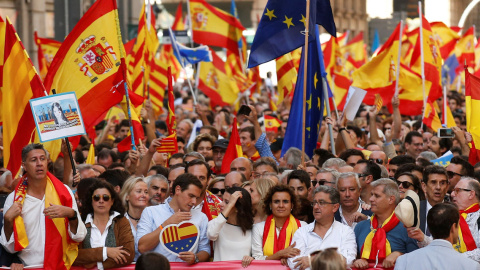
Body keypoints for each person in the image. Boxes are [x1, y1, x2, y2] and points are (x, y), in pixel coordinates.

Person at [0, 144, 86, 268]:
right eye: (34, 160)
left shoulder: (64, 192)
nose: (39, 163)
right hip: (28, 267)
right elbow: (10, 248)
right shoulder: (13, 199)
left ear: (47, 162)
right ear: (24, 165)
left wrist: (71, 215)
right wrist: (8, 220)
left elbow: (79, 236)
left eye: (42, 159)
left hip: (61, 265)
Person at [136, 173, 210, 263]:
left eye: (196, 198)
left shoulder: (201, 217)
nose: (194, 202)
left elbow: (205, 250)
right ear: (178, 190)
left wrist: (195, 257)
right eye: (191, 196)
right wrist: (166, 224)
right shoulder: (151, 212)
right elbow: (142, 247)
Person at [353, 179, 418, 269]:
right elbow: (351, 258)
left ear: (391, 199)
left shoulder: (406, 227)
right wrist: (357, 261)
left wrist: (399, 255)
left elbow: (417, 260)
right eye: (371, 194)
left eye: (377, 196)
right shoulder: (360, 227)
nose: (371, 199)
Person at [288, 186, 357, 270]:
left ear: (335, 207)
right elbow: (294, 263)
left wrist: (312, 260)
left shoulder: (346, 232)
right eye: (314, 203)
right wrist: (332, 261)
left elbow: (348, 261)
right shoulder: (302, 232)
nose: (316, 207)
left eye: (321, 202)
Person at [394, 203, 480, 270]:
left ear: (430, 228)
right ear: (453, 228)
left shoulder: (404, 260)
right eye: (458, 226)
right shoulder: (471, 266)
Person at [74, 181, 135, 269]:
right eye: (96, 198)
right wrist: (105, 252)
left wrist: (94, 265)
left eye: (106, 198)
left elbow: (128, 254)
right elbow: (74, 255)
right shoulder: (81, 223)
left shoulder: (121, 221)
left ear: (112, 201)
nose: (101, 201)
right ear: (91, 201)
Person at [251, 185, 307, 264]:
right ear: (270, 205)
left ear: (292, 205)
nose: (281, 205)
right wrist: (280, 254)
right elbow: (257, 260)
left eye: (285, 201)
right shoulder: (259, 228)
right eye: (276, 201)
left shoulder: (303, 226)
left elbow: (306, 255)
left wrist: (288, 259)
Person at [207, 187, 254, 261]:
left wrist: (252, 258)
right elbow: (211, 234)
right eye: (222, 200)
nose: (220, 204)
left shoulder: (253, 228)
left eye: (227, 202)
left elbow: (257, 255)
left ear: (238, 208)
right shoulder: (216, 223)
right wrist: (230, 205)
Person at [450, 177, 480, 261]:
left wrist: (457, 258)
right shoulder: (449, 215)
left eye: (457, 190)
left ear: (471, 194)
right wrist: (423, 239)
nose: (452, 194)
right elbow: (440, 242)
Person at [119, 176, 149, 260]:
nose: (143, 195)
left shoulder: (154, 218)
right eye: (139, 191)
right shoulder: (118, 220)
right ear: (127, 196)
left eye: (146, 192)